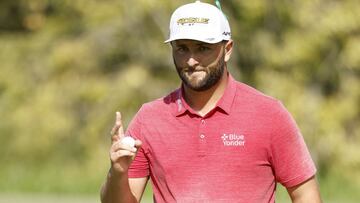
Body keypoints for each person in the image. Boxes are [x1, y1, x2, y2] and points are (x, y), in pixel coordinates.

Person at [100, 1, 322, 202]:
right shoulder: (149, 118)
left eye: (203, 48)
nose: (191, 60)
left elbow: (306, 195)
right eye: (182, 48)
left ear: (227, 50)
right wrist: (117, 172)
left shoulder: (269, 114)